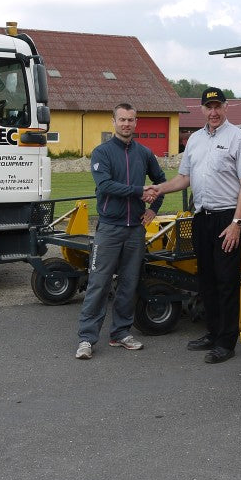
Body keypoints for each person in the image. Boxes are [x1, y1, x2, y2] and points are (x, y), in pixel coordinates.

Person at [145, 87, 241, 364]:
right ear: (202, 110)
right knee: (206, 279)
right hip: (201, 217)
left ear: (226, 107)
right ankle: (212, 333)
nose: (214, 112)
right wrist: (159, 188)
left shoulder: (238, 138)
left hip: (227, 218)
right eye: (209, 107)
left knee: (226, 281)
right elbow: (184, 179)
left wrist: (236, 223)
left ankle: (226, 341)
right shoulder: (194, 139)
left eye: (218, 106)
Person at [75, 103, 166, 360]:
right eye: (122, 119)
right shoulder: (102, 153)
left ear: (136, 123)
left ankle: (121, 333)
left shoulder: (144, 153)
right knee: (98, 284)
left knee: (128, 284)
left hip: (135, 230)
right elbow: (105, 186)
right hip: (110, 229)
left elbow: (160, 182)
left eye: (131, 120)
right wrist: (139, 191)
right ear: (113, 121)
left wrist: (153, 210)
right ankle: (86, 339)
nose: (127, 124)